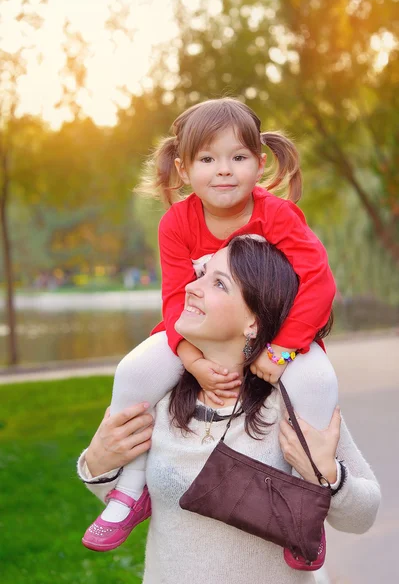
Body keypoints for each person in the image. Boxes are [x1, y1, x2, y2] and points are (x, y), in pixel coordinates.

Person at [82, 97, 337, 551]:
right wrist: (192, 361)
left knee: (317, 380)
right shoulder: (176, 225)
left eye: (238, 157)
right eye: (207, 159)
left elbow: (318, 282)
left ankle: (306, 500)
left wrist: (281, 350)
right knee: (135, 372)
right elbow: (176, 301)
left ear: (259, 165)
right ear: (183, 169)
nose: (224, 170)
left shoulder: (276, 215)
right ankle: (132, 486)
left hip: (280, 333)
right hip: (195, 335)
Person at [78, 237, 380, 584]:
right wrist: (98, 464)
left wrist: (327, 475)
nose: (191, 287)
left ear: (254, 320)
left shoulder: (293, 404)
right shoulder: (161, 395)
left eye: (218, 283)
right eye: (201, 274)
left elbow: (362, 517)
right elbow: (135, 499)